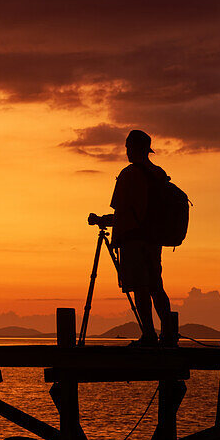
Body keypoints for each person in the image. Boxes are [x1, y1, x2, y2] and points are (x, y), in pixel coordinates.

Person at [91, 130, 173, 346]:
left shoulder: (128, 175)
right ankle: (168, 334)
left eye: (128, 147)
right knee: (157, 286)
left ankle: (148, 335)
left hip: (134, 240)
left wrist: (101, 219)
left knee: (140, 287)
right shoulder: (159, 174)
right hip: (154, 240)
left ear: (134, 148)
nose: (126, 151)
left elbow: (122, 213)